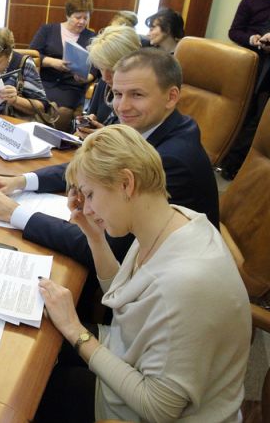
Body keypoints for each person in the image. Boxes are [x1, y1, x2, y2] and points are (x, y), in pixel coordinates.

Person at [34, 124, 250, 422]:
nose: (88, 207)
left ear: (126, 183)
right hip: (131, 353)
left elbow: (158, 408)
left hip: (151, 409)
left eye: (90, 194)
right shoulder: (173, 220)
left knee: (36, 390)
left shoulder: (187, 282)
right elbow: (129, 296)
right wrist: (94, 236)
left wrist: (75, 330)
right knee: (41, 345)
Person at [0, 49, 219, 273]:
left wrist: (16, 214)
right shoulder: (151, 127)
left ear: (171, 97)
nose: (122, 107)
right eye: (118, 94)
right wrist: (21, 181)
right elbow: (91, 167)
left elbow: (107, 247)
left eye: (137, 95)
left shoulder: (171, 161)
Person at [221, 0, 270, 180]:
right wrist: (252, 39)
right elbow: (234, 32)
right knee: (245, 115)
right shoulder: (251, 0)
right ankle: (232, 164)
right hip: (254, 65)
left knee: (261, 121)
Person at [29, 0, 96, 128]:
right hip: (45, 81)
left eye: (86, 18)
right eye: (78, 17)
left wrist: (85, 78)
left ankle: (48, 137)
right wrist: (52, 62)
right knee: (36, 105)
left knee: (61, 112)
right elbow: (32, 55)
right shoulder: (48, 30)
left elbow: (95, 68)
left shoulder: (92, 38)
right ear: (68, 15)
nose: (82, 22)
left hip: (72, 85)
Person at [75, 26, 142, 138]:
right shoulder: (104, 84)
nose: (105, 77)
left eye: (112, 69)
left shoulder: (142, 93)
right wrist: (86, 125)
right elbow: (92, 115)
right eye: (101, 68)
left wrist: (106, 136)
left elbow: (137, 140)